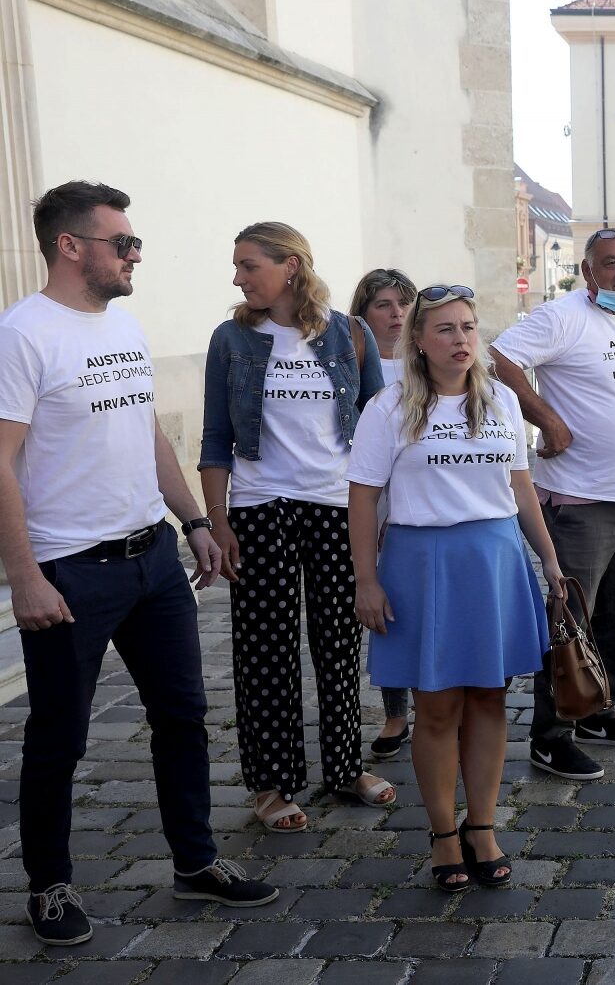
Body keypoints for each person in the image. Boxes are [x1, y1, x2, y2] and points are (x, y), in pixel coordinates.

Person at [0, 181, 278, 946]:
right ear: (69, 246)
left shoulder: (121, 325)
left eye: (134, 244)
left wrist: (191, 522)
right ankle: (49, 887)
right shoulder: (23, 334)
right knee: (59, 737)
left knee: (182, 718)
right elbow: (1, 460)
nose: (134, 256)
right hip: (68, 568)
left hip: (151, 560)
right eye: (121, 244)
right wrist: (23, 576)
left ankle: (196, 862)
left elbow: (147, 431)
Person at [349, 284, 563, 890]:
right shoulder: (387, 408)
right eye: (444, 329)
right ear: (418, 340)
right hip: (422, 563)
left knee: (491, 699)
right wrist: (366, 578)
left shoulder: (499, 400)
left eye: (469, 327)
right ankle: (444, 834)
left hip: (494, 560)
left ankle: (483, 826)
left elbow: (520, 487)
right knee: (437, 705)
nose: (460, 339)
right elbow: (363, 496)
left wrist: (548, 561)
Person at [200, 222, 394, 836]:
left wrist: (383, 514)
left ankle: (343, 766)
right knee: (265, 653)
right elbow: (214, 439)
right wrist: (218, 520)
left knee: (339, 643)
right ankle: (271, 783)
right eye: (237, 266)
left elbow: (378, 430)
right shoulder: (232, 338)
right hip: (260, 508)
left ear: (290, 266)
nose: (238, 277)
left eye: (248, 264)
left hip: (337, 507)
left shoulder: (349, 333)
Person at [489, 228, 615, 781]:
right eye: (611, 263)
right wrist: (548, 420)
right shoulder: (563, 316)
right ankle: (552, 735)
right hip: (579, 497)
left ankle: (599, 711)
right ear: (588, 270)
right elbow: (498, 359)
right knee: (570, 620)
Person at [348, 268, 419, 759]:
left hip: (424, 496)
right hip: (377, 494)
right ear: (365, 314)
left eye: (403, 304)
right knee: (389, 607)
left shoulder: (426, 362)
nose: (396, 315)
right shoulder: (353, 364)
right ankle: (396, 713)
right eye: (384, 305)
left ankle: (441, 702)